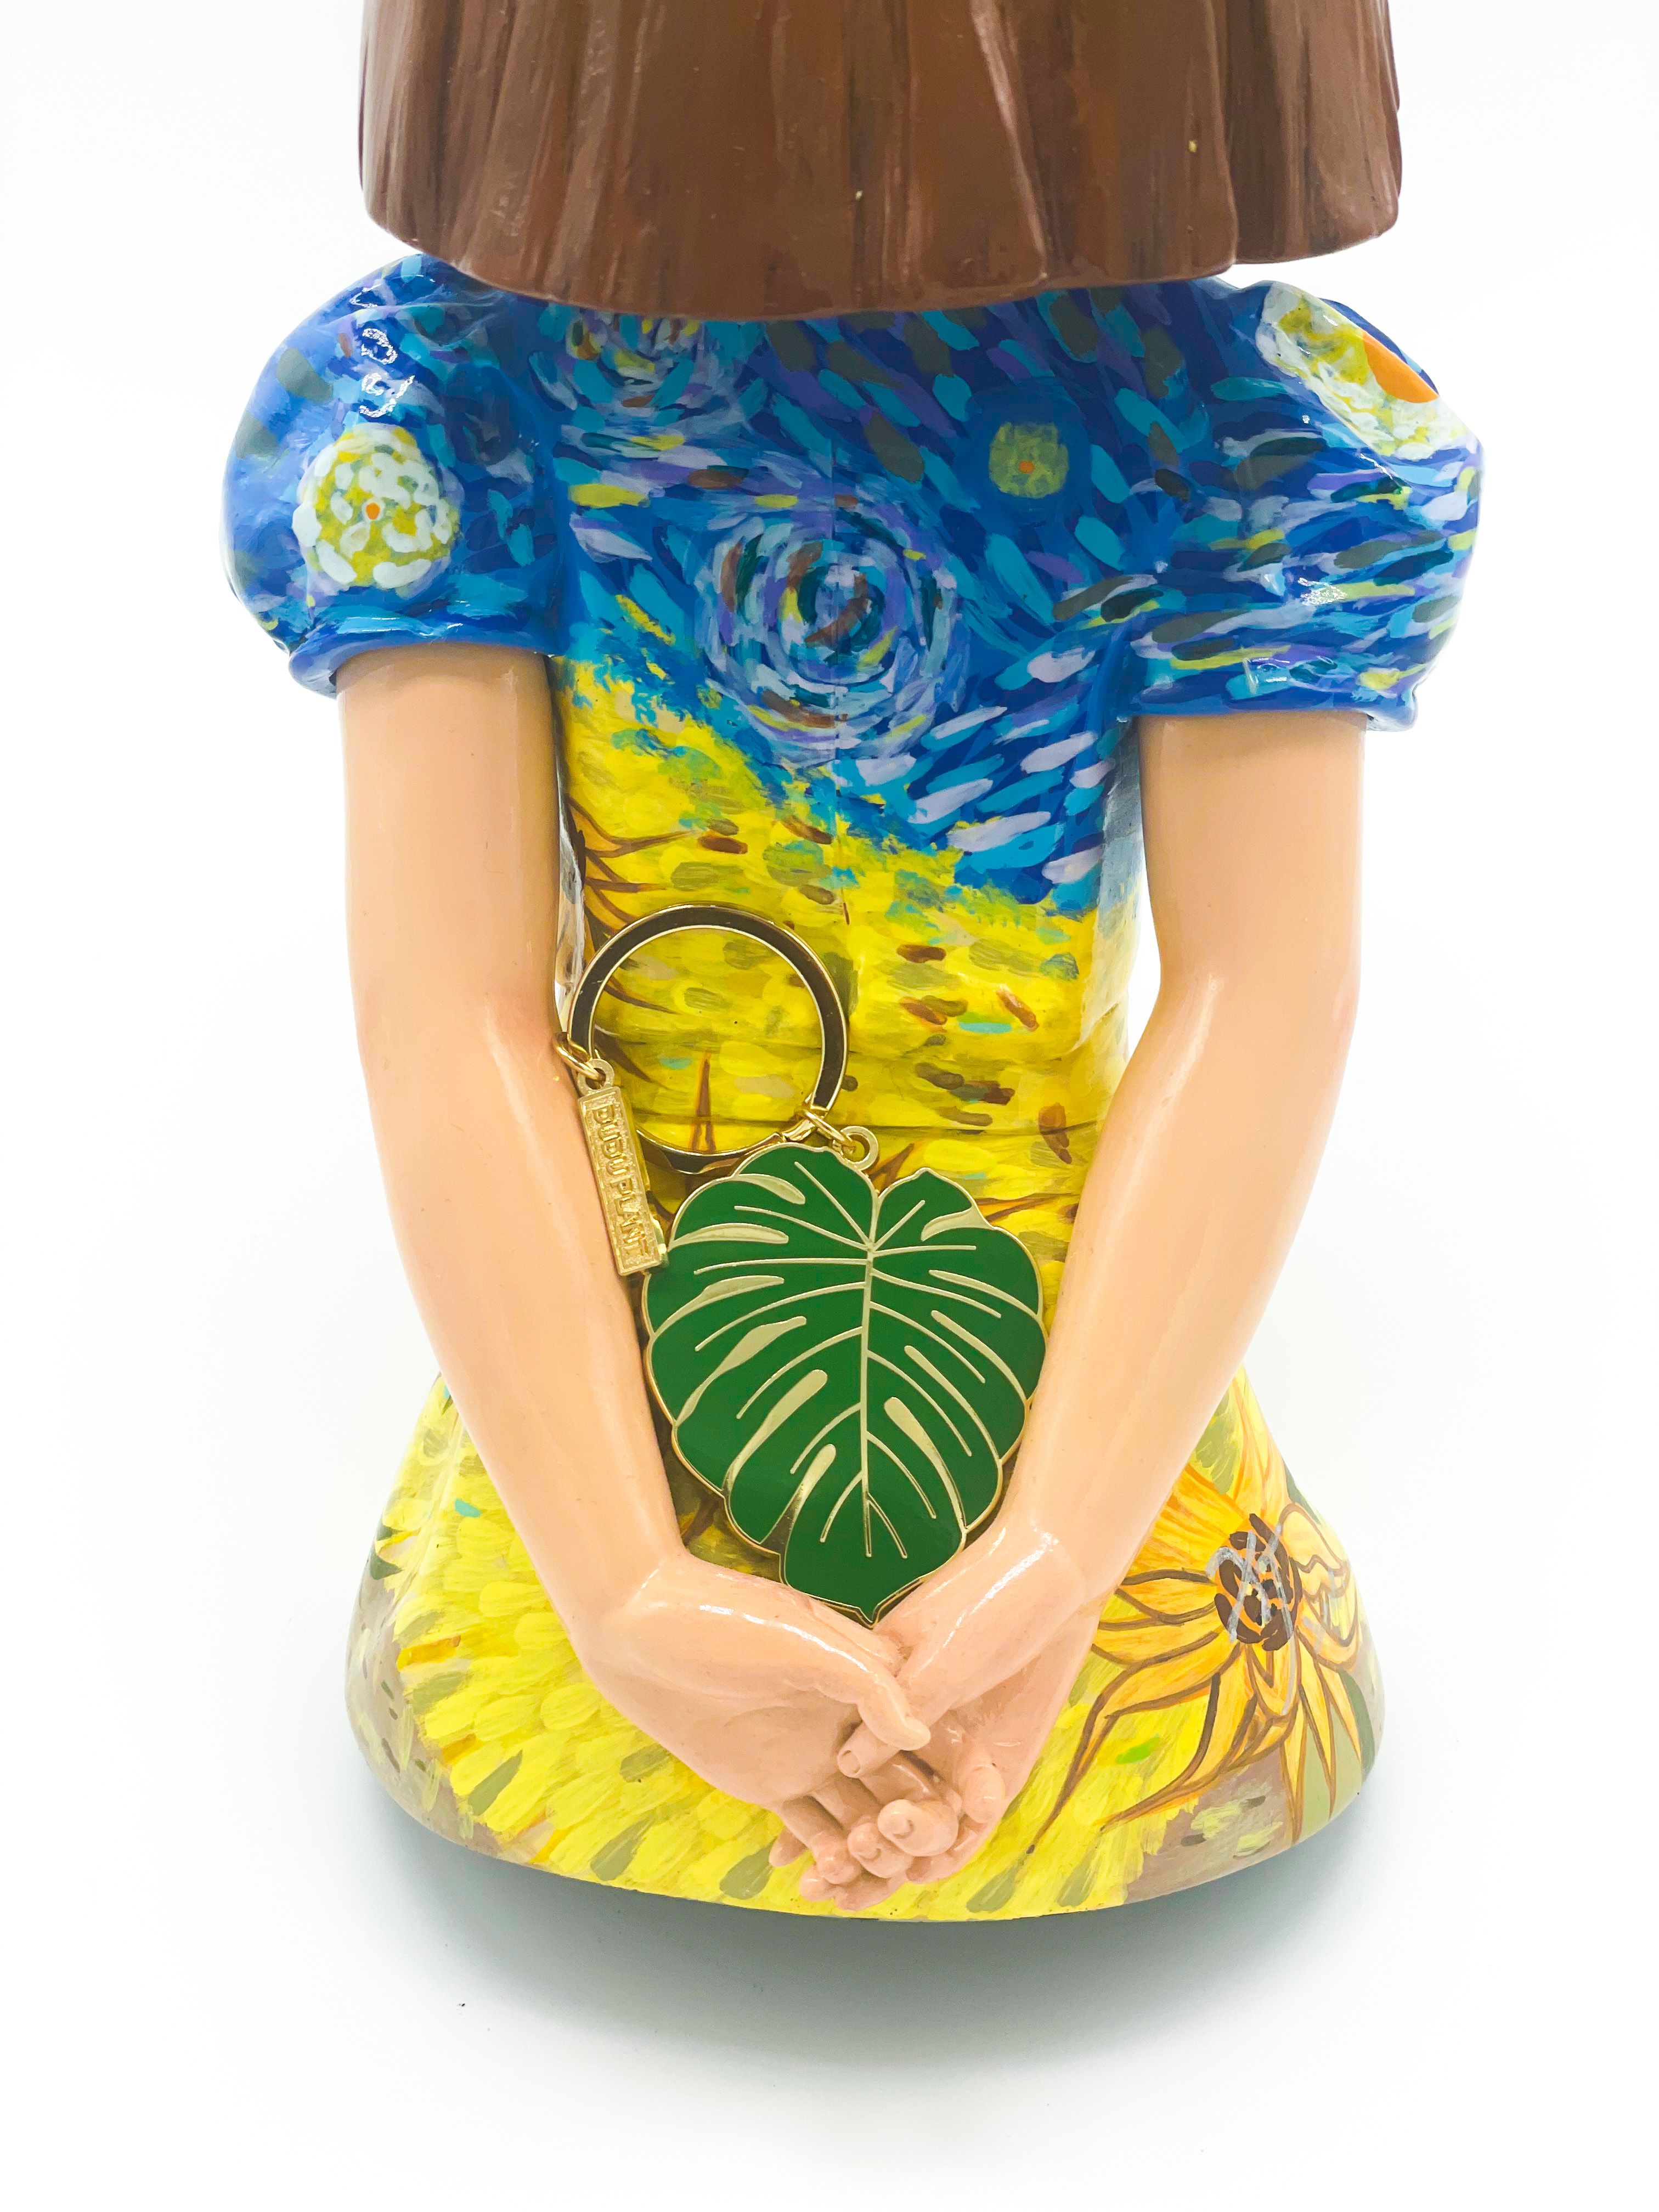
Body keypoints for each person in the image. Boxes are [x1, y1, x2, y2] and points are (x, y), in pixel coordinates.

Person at [222, 0, 1479, 1918]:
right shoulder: (461, 408)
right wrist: (615, 1579)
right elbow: (448, 1017)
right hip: (605, 1444)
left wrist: (1062, 1547)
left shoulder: (1238, 438)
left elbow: (1264, 1003)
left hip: (1089, 1444)